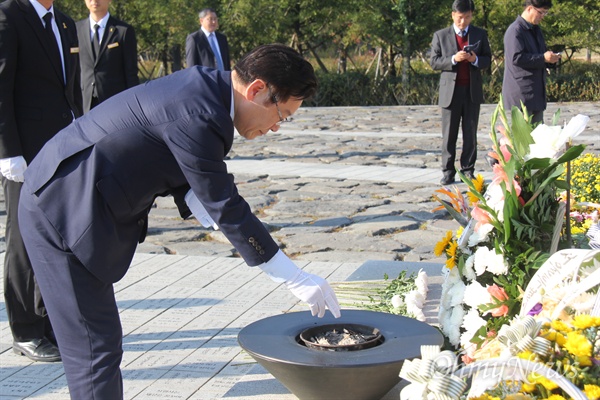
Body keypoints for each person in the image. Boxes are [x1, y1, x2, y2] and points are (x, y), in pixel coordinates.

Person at [18, 44, 341, 399]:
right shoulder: (201, 112)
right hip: (61, 208)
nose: (277, 127)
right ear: (256, 90)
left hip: (74, 197)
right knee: (94, 351)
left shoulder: (207, 93)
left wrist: (199, 202)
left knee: (100, 344)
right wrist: (292, 275)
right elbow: (225, 205)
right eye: (283, 114)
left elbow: (180, 165)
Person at [0, 0, 82, 363]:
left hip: (61, 149)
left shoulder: (63, 23)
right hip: (25, 154)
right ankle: (26, 331)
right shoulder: (8, 15)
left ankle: (48, 323)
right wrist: (7, 151)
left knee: (54, 239)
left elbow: (69, 91)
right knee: (22, 240)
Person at [430, 0, 492, 185]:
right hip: (451, 92)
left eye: (467, 17)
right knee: (449, 134)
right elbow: (434, 61)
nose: (463, 21)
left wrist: (475, 59)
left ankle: (468, 170)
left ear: (472, 15)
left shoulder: (480, 34)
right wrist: (453, 59)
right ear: (453, 15)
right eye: (459, 18)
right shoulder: (441, 35)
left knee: (470, 133)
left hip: (471, 91)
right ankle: (448, 172)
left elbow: (487, 59)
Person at [76, 0, 139, 113]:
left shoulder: (122, 31)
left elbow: (131, 73)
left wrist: (133, 106)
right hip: (84, 102)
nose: (94, 1)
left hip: (114, 103)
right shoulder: (75, 30)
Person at [502, 0, 560, 124]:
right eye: (541, 12)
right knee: (523, 139)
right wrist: (543, 58)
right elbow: (516, 58)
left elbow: (540, 54)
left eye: (545, 13)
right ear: (529, 9)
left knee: (538, 137)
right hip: (521, 94)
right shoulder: (515, 31)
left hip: (536, 93)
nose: (542, 16)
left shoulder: (536, 29)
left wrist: (551, 60)